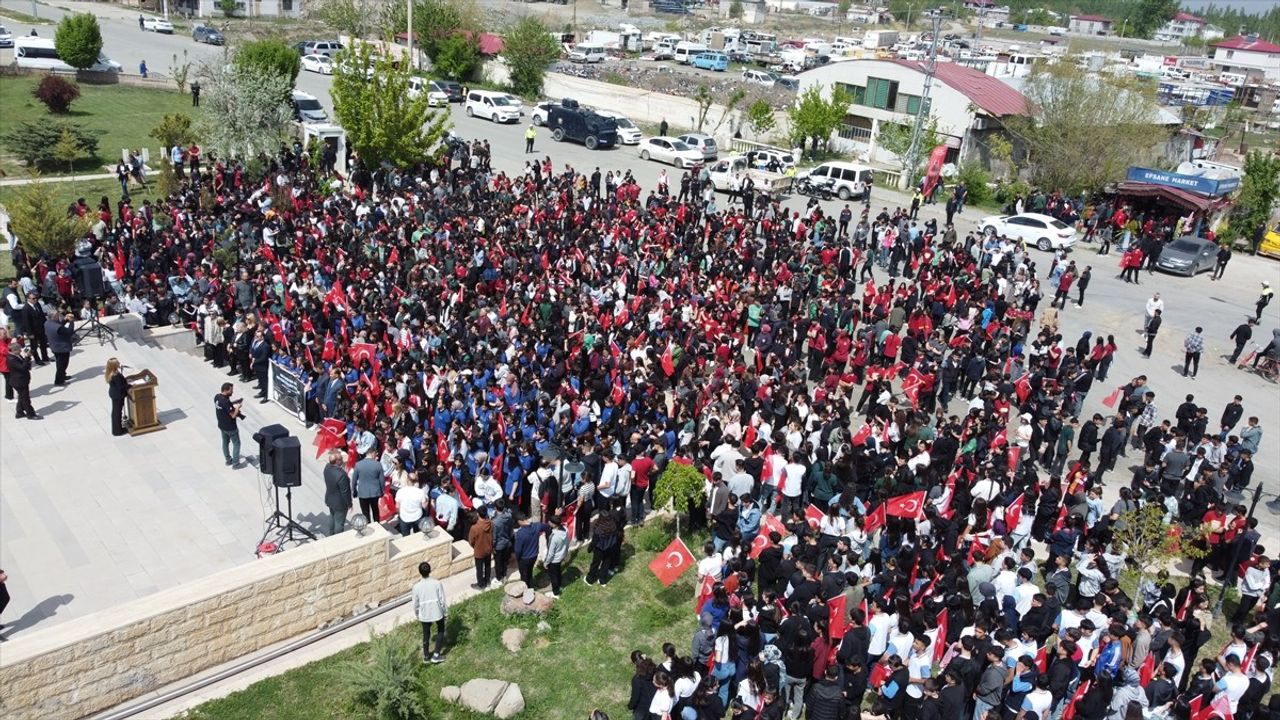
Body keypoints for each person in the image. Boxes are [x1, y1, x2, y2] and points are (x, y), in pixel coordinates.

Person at [410, 561, 447, 663]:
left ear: (420, 572)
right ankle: (436, 655)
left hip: (424, 613)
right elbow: (442, 599)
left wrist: (417, 614)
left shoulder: (416, 587)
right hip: (437, 612)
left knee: (426, 634)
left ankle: (426, 656)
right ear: (430, 570)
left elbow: (415, 603)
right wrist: (445, 612)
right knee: (440, 631)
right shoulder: (437, 583)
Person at [322, 450, 353, 536]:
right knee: (339, 523)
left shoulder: (327, 467)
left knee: (332, 517)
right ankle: (337, 538)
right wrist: (349, 504)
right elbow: (345, 492)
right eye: (341, 459)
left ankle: (331, 535)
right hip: (340, 503)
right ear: (337, 461)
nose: (343, 460)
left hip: (330, 499)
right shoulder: (341, 475)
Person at [352, 448, 385, 524]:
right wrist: (382, 490)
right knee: (375, 511)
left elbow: (354, 480)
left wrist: (354, 490)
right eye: (375, 454)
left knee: (365, 512)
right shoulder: (378, 464)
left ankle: (368, 525)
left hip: (363, 493)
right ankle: (377, 525)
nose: (376, 456)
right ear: (372, 453)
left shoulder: (358, 465)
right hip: (375, 493)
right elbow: (382, 480)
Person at [7, 341, 37, 420]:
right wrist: (27, 357)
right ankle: (30, 414)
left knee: (22, 397)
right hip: (19, 382)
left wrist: (28, 358)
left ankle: (19, 412)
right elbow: (22, 367)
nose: (21, 351)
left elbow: (25, 364)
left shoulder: (17, 355)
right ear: (14, 350)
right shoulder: (11, 359)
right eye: (19, 349)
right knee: (25, 399)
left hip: (22, 380)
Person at [44, 309, 74, 386]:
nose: (59, 316)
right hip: (61, 348)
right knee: (62, 365)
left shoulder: (47, 323)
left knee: (59, 363)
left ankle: (62, 375)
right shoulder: (57, 327)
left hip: (55, 346)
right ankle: (59, 381)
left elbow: (60, 326)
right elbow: (69, 332)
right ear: (54, 317)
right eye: (57, 315)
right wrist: (71, 321)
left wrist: (65, 320)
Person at [214, 382, 242, 465]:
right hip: (230, 427)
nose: (232, 392)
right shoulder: (225, 402)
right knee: (236, 443)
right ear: (226, 390)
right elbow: (233, 415)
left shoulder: (217, 397)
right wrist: (237, 408)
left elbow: (224, 406)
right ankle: (236, 463)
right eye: (231, 390)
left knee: (225, 442)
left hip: (222, 425)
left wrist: (233, 403)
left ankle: (228, 459)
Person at [105, 357, 129, 436]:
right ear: (114, 365)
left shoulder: (110, 372)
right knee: (117, 413)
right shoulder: (116, 375)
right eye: (117, 363)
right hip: (118, 395)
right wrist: (129, 386)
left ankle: (116, 429)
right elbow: (121, 387)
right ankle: (118, 431)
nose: (119, 363)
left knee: (116, 412)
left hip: (114, 394)